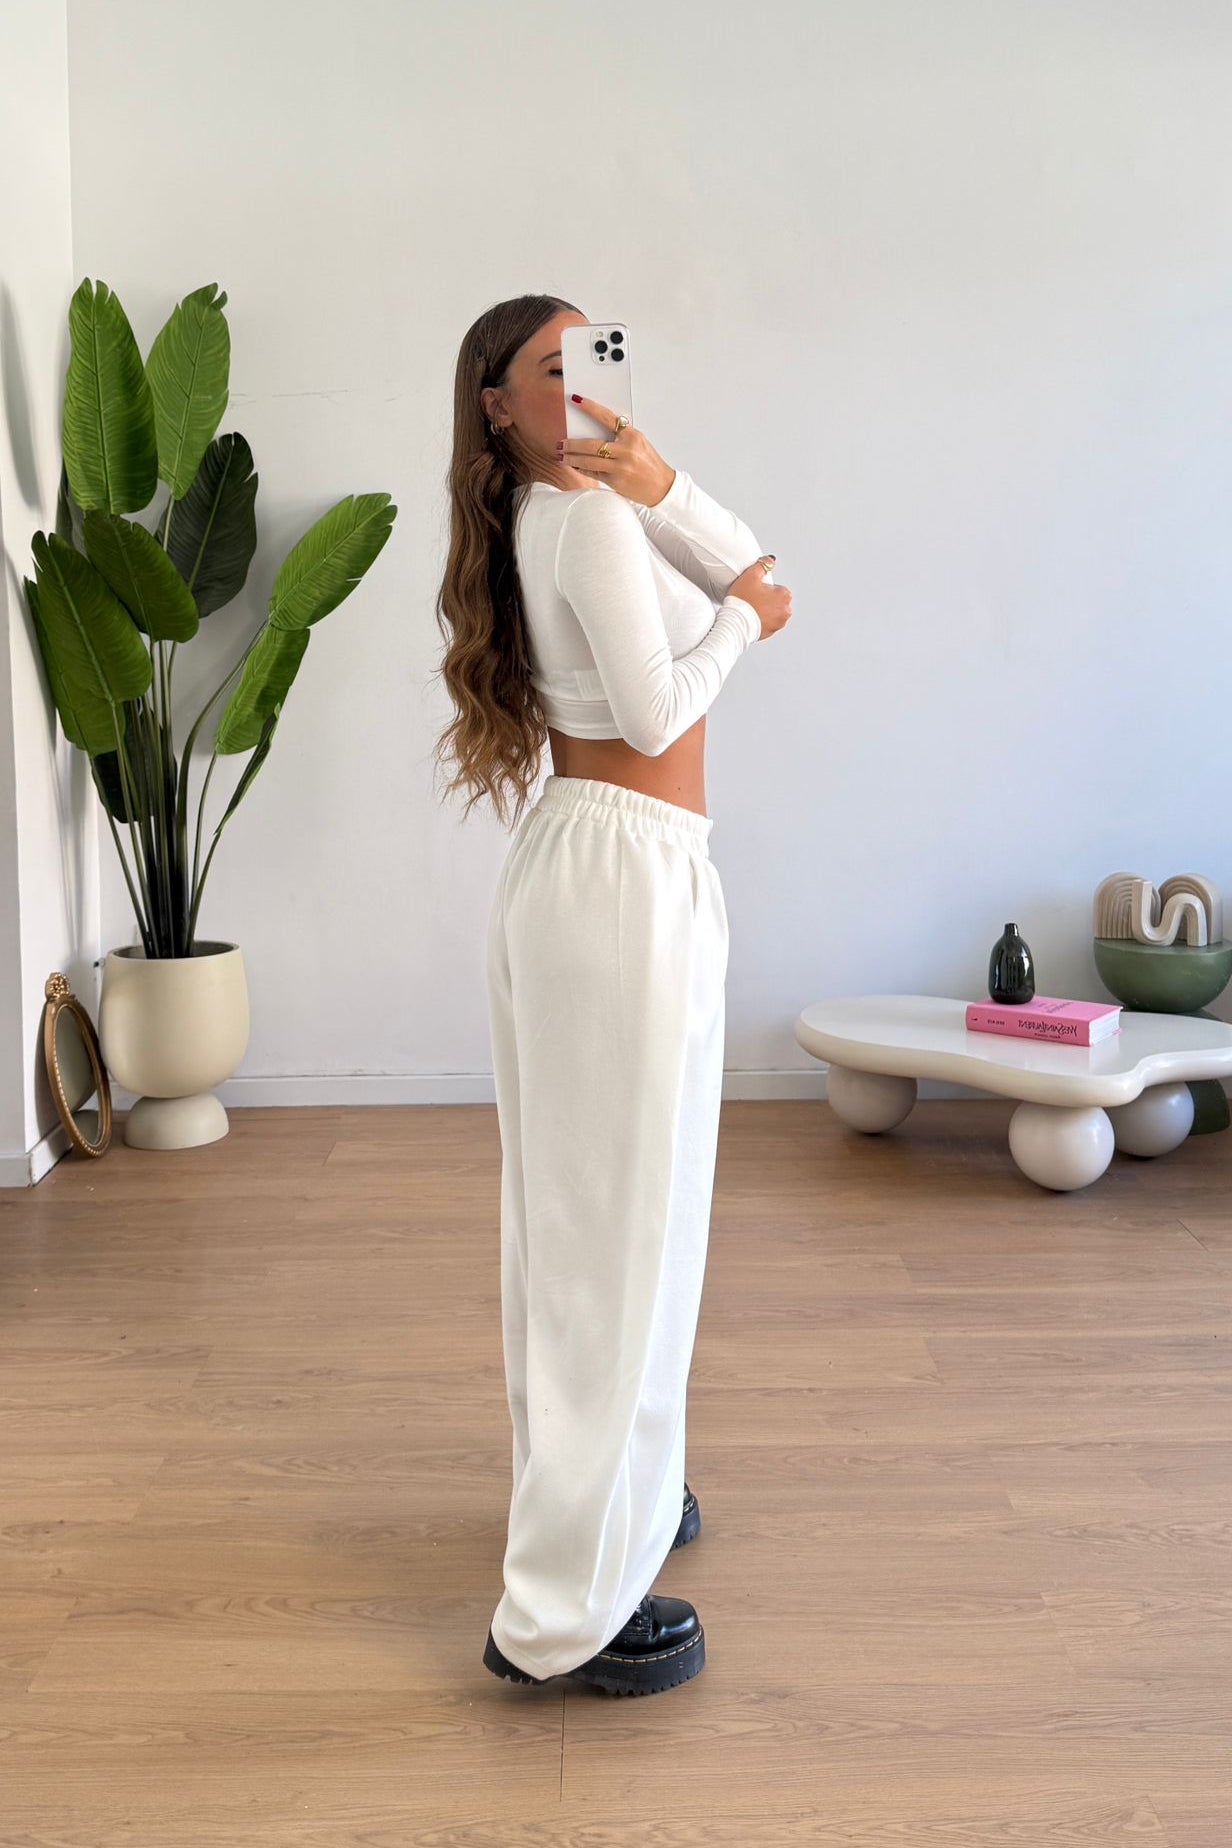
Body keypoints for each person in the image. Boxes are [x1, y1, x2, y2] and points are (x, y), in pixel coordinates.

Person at [432, 294, 792, 1697]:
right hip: (622, 884)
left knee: (596, 1229)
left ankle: (611, 1499)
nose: (583, 383)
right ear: (498, 406)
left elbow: (754, 560)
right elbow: (665, 702)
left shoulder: (581, 506)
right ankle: (560, 1616)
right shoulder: (580, 524)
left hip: (601, 870)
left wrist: (664, 479)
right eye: (551, 366)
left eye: (597, 356)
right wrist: (743, 626)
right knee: (619, 1238)